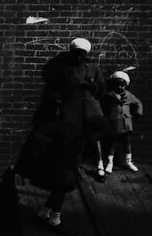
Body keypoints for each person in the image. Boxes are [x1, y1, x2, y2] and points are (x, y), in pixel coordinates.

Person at [14, 116, 109, 235]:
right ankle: (54, 220)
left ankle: (44, 213)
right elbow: (64, 157)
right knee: (63, 182)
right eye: (97, 136)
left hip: (45, 150)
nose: (96, 139)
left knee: (64, 181)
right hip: (39, 152)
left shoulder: (77, 130)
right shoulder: (73, 134)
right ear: (93, 130)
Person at [39, 37, 108, 180]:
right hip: (71, 109)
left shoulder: (94, 68)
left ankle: (99, 165)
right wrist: (59, 106)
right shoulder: (67, 70)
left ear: (86, 54)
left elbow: (102, 90)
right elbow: (58, 90)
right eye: (76, 53)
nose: (79, 56)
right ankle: (70, 167)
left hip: (91, 109)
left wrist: (92, 87)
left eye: (82, 53)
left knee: (94, 137)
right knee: (70, 137)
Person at [99, 71, 144, 173]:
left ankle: (129, 162)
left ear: (125, 85)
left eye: (122, 85)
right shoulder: (108, 96)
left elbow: (138, 103)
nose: (120, 87)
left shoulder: (128, 95)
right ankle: (110, 162)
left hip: (126, 123)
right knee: (112, 143)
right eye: (117, 85)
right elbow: (102, 107)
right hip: (114, 123)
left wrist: (138, 113)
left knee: (127, 143)